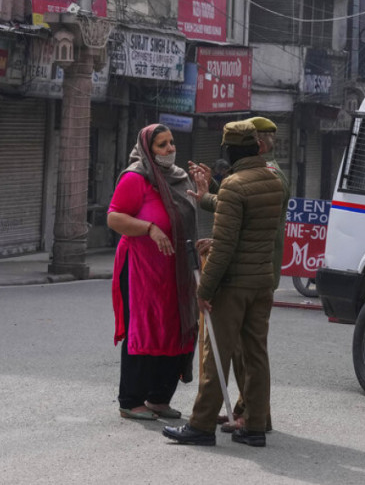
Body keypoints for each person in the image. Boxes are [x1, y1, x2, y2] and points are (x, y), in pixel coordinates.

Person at [162, 120, 285, 447]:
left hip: (233, 285)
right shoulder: (272, 180)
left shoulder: (234, 184)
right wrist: (210, 193)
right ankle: (255, 426)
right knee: (256, 356)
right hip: (261, 282)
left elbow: (225, 244)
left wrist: (204, 291)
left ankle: (201, 426)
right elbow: (242, 213)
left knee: (214, 356)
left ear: (231, 150)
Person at [107, 124, 198, 420]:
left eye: (171, 142)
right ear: (148, 148)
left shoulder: (179, 178)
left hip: (175, 271)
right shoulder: (136, 177)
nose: (170, 148)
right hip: (141, 269)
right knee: (145, 328)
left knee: (174, 327)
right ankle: (131, 400)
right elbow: (114, 218)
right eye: (162, 144)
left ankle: (160, 398)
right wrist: (149, 228)